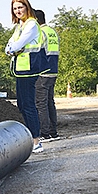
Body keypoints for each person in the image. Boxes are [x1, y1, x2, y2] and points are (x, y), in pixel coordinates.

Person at [5, 0, 49, 153]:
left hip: (29, 69)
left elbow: (17, 44)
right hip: (20, 70)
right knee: (22, 104)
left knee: (29, 105)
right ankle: (31, 136)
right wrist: (12, 49)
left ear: (27, 7)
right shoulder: (19, 26)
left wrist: (13, 48)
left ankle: (36, 140)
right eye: (15, 9)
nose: (17, 11)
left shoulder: (31, 25)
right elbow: (8, 46)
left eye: (20, 7)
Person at [34, 9, 61, 142]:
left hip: (42, 72)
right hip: (53, 70)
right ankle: (53, 132)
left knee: (41, 103)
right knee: (50, 102)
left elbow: (37, 53)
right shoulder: (52, 32)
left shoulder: (40, 33)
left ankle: (45, 133)